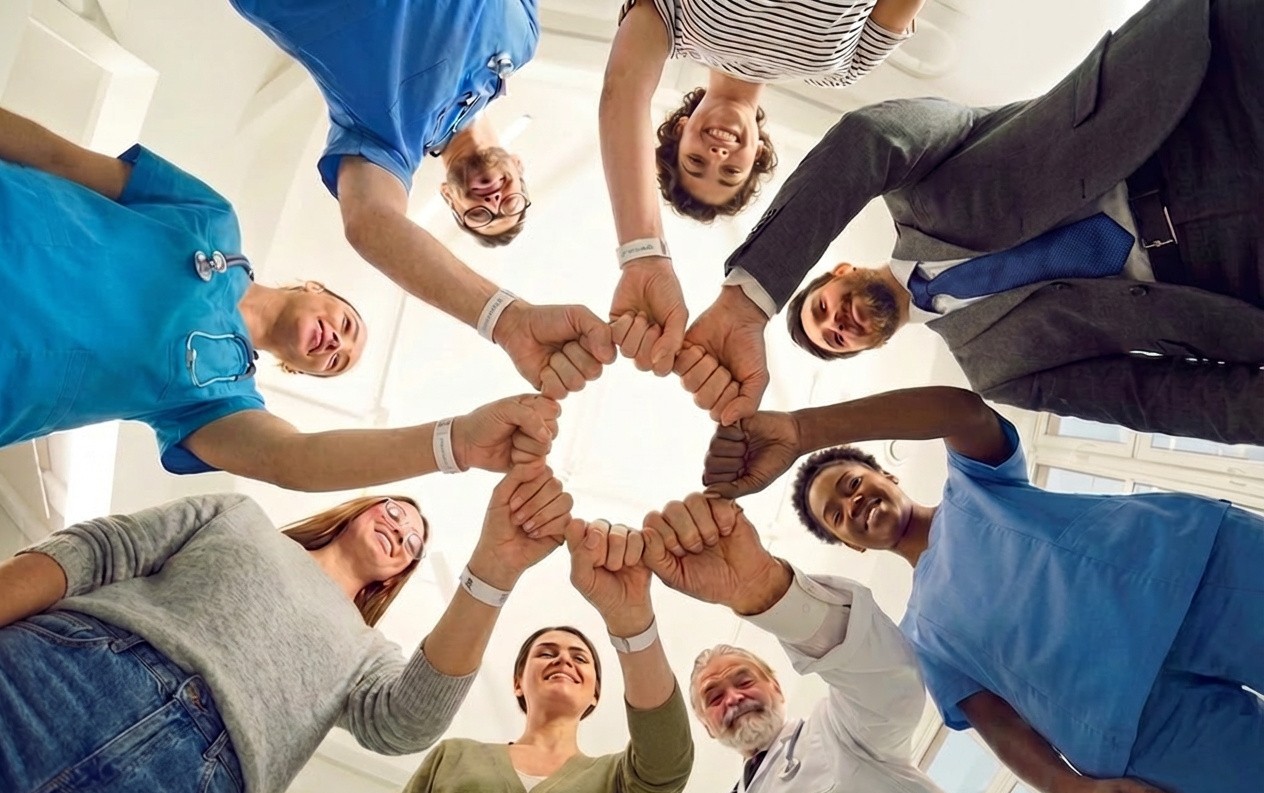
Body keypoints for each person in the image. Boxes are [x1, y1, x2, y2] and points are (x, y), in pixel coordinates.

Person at [678, 0, 1264, 446]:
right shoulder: (998, 372)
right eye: (836, 338)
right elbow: (1151, 399)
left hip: (1200, 99)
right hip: (1232, 268)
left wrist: (747, 301)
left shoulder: (914, 184)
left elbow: (870, 139)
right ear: (864, 349)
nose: (840, 322)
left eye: (823, 307)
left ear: (841, 270)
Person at [703, 386, 1263, 793]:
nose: (854, 504)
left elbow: (962, 412)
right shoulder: (921, 637)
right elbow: (1000, 726)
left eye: (853, 484)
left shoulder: (978, 485)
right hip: (1137, 729)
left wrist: (803, 431)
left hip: (1195, 579)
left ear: (889, 477)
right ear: (849, 545)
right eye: (838, 515)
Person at [0, 462, 575, 793]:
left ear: (397, 575)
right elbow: (98, 551)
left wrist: (493, 571)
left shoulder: (369, 652)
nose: (402, 533)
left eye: (413, 545)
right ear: (359, 509)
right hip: (61, 676)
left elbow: (408, 723)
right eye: (396, 513)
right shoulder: (241, 517)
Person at [0, 106, 562, 490]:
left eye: (334, 359)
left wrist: (455, 443)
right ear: (314, 288)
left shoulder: (215, 400)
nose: (335, 341)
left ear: (296, 370)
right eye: (346, 324)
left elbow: (294, 460)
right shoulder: (213, 219)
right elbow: (61, 159)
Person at [228, 0, 616, 399]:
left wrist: (507, 319)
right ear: (519, 166)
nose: (495, 201)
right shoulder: (522, 42)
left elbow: (369, 220)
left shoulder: (389, 143)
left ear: (450, 198)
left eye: (480, 215)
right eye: (512, 203)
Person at [602, 0, 921, 403]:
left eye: (695, 162)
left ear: (681, 129)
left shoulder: (673, 24)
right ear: (755, 155)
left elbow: (623, 90)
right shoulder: (841, 70)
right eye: (730, 172)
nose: (717, 156)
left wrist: (642, 255)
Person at [634, 492, 991, 793]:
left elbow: (886, 681)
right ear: (707, 728)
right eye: (713, 697)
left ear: (776, 687)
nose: (733, 697)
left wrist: (764, 590)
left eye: (744, 680)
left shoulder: (841, 732)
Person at [373, 518, 693, 793]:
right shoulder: (453, 757)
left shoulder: (616, 783)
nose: (563, 660)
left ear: (595, 695)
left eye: (580, 658)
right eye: (546, 653)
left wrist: (633, 623)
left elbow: (667, 762)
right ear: (517, 683)